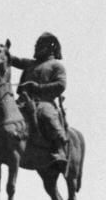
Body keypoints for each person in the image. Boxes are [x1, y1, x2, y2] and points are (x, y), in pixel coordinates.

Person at [10, 32, 69, 164]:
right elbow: (16, 60)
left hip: (43, 101)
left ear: (48, 48)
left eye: (39, 46)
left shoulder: (56, 65)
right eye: (36, 45)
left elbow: (61, 84)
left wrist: (37, 87)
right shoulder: (31, 64)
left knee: (47, 115)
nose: (36, 48)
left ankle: (60, 149)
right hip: (24, 100)